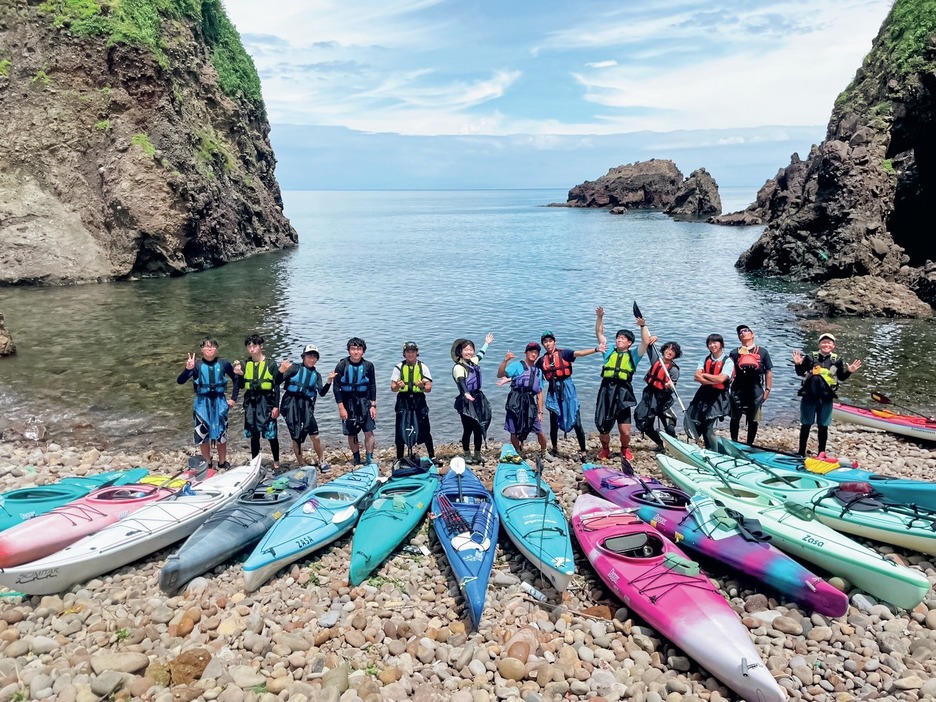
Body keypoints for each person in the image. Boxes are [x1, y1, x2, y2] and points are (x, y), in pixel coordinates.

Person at [535, 331, 605, 461]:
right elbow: (531, 374)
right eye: (545, 342)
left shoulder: (564, 353)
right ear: (543, 344)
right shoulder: (541, 361)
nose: (548, 344)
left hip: (568, 388)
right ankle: (555, 448)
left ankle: (583, 452)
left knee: (576, 420)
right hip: (553, 390)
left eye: (550, 341)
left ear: (554, 342)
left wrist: (596, 349)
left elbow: (579, 353)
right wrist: (510, 378)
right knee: (553, 421)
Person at [594, 307, 651, 461]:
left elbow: (645, 341)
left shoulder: (634, 355)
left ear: (629, 342)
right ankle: (605, 449)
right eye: (618, 337)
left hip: (624, 391)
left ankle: (624, 448)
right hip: (606, 390)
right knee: (603, 426)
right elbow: (599, 333)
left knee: (625, 431)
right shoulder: (608, 351)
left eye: (623, 338)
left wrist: (642, 326)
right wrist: (600, 317)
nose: (619, 340)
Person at [793, 333, 862, 457]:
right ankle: (800, 452)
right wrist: (797, 364)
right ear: (819, 344)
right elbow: (800, 373)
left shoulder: (837, 360)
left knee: (823, 425)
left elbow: (841, 378)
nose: (826, 345)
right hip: (809, 396)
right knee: (806, 424)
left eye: (829, 343)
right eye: (824, 342)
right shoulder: (810, 357)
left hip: (826, 397)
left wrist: (849, 371)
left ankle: (821, 453)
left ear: (833, 346)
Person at [176, 337, 239, 469]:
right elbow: (180, 381)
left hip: (220, 401)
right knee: (202, 431)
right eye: (206, 346)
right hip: (201, 403)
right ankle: (207, 461)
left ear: (216, 349)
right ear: (202, 349)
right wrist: (188, 369)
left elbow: (236, 380)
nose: (209, 349)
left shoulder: (224, 364)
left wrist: (233, 398)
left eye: (212, 346)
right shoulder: (196, 366)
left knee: (221, 432)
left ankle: (222, 461)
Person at [277, 344, 334, 471]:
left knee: (315, 435)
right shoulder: (294, 368)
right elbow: (277, 381)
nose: (312, 359)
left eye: (314, 356)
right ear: (304, 356)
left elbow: (322, 393)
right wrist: (281, 371)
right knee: (295, 435)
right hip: (291, 403)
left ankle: (321, 460)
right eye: (309, 356)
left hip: (306, 405)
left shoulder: (316, 375)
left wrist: (329, 381)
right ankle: (301, 463)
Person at [633, 320, 682, 451]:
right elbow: (647, 342)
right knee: (643, 422)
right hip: (650, 396)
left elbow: (672, 387)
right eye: (668, 349)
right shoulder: (656, 360)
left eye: (673, 351)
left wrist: (669, 386)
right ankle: (660, 443)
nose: (669, 352)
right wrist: (646, 330)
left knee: (669, 426)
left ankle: (675, 445)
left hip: (663, 398)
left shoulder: (673, 369)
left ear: (675, 355)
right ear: (664, 349)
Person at [234, 333, 281, 469]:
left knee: (271, 434)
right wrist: (239, 375)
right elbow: (242, 385)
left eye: (254, 346)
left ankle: (276, 461)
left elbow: (276, 387)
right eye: (249, 346)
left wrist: (276, 406)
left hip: (267, 402)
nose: (252, 349)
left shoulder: (271, 364)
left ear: (261, 346)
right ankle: (255, 462)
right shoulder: (245, 364)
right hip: (251, 403)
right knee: (254, 434)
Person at [497, 342, 550, 459]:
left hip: (530, 402)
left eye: (536, 352)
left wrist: (540, 412)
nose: (534, 354)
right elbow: (500, 374)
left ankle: (544, 451)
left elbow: (539, 393)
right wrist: (505, 361)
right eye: (531, 351)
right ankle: (518, 451)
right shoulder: (517, 365)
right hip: (515, 400)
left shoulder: (538, 371)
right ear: (526, 353)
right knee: (514, 430)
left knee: (539, 430)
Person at [333, 337, 377, 465]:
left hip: (364, 400)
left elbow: (372, 385)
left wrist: (373, 405)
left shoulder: (368, 366)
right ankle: (356, 457)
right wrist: (341, 408)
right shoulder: (341, 365)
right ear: (349, 351)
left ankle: (369, 458)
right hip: (348, 401)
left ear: (363, 351)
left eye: (359, 349)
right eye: (353, 349)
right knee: (351, 432)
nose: (356, 352)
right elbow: (336, 388)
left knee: (369, 430)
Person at [451, 333, 494, 465]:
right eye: (466, 350)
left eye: (471, 349)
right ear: (460, 352)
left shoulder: (472, 362)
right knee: (468, 429)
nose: (469, 352)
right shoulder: (459, 367)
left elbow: (481, 355)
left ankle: (477, 453)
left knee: (478, 428)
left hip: (478, 398)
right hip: (466, 401)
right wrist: (466, 394)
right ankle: (466, 453)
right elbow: (461, 381)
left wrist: (486, 343)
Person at [728, 324, 774, 445]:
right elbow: (729, 371)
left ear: (752, 334)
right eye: (740, 332)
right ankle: (734, 442)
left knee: (753, 419)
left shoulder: (763, 352)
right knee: (735, 417)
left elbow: (768, 371)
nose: (743, 333)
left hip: (755, 388)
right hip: (737, 388)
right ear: (739, 338)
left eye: (746, 330)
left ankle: (749, 444)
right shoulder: (734, 353)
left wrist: (767, 389)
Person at [687, 334, 734, 450]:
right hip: (703, 394)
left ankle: (713, 451)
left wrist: (705, 375)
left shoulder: (728, 361)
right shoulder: (705, 359)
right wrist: (712, 380)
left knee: (708, 425)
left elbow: (721, 379)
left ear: (721, 344)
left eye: (715, 342)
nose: (712, 345)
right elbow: (696, 377)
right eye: (710, 343)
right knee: (697, 421)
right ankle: (696, 447)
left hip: (718, 397)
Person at [390, 341, 434, 463]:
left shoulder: (422, 367)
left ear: (417, 353)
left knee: (425, 426)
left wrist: (421, 387)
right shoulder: (399, 367)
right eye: (408, 352)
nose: (410, 354)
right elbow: (393, 388)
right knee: (400, 427)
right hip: (403, 399)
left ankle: (432, 455)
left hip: (418, 399)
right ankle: (399, 457)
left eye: (413, 351)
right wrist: (398, 386)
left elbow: (429, 388)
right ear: (404, 353)